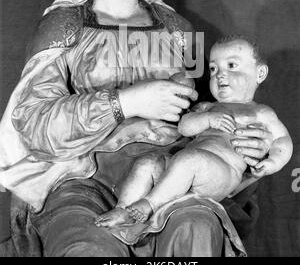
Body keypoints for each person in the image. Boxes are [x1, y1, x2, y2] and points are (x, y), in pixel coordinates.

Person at [0, 0, 273, 257]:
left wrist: (247, 136)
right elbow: (33, 123)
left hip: (165, 172)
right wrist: (125, 103)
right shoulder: (63, 25)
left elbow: (204, 110)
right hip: (81, 181)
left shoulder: (178, 29)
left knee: (196, 228)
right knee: (87, 249)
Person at [95, 36, 292, 228]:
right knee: (148, 162)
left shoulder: (260, 112)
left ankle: (148, 204)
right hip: (182, 168)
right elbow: (184, 127)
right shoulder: (207, 108)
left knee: (191, 160)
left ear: (260, 74)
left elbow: (282, 140)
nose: (219, 74)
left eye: (231, 66)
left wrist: (272, 162)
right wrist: (206, 119)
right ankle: (124, 209)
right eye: (214, 68)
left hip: (222, 172)